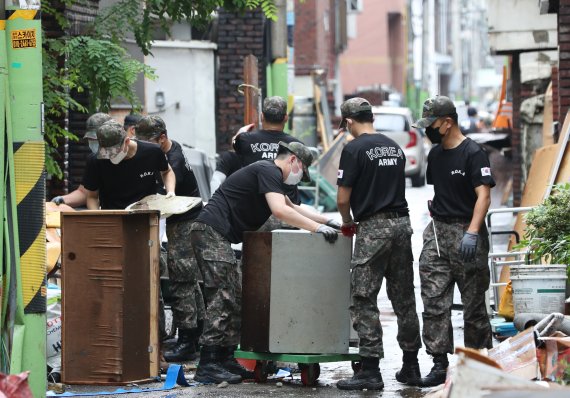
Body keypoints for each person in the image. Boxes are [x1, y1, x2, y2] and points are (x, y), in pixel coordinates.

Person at [190, 141, 339, 384]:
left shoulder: (272, 177)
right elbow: (280, 211)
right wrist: (317, 229)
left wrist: (329, 222)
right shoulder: (268, 170)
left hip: (217, 235)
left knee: (235, 297)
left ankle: (226, 358)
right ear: (292, 160)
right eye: (302, 170)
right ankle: (207, 362)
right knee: (223, 296)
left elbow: (294, 208)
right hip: (209, 231)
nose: (300, 177)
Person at [335, 98, 422, 391]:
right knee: (403, 297)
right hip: (401, 225)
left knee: (364, 297)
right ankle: (411, 365)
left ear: (348, 122)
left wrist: (347, 222)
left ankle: (370, 369)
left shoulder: (353, 149)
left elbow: (343, 198)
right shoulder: (393, 147)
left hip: (373, 228)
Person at [412, 95, 495, 387]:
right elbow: (441, 191)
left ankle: (476, 361)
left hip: (466, 232)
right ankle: (438, 363)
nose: (427, 130)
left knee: (473, 304)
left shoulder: (473, 153)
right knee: (434, 300)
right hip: (437, 233)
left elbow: (483, 195)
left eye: (431, 124)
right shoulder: (435, 154)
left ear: (447, 122)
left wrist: (472, 232)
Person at [136, 115, 206, 362]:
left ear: (162, 138)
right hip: (185, 221)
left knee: (180, 280)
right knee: (187, 279)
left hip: (184, 222)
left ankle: (188, 339)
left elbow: (164, 192)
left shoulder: (172, 160)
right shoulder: (171, 148)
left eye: (150, 142)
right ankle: (196, 332)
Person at [83, 120, 175, 210]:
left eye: (115, 152)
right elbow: (92, 197)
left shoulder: (152, 152)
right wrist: (97, 218)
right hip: (112, 216)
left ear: (126, 141)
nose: (111, 156)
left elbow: (167, 171)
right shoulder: (95, 160)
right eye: (106, 153)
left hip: (146, 213)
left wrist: (170, 191)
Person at [233, 96, 304, 205]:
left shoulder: (244, 139)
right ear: (286, 118)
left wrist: (240, 133)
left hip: (252, 208)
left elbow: (234, 144)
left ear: (262, 116)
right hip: (288, 208)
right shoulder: (297, 145)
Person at [51, 113, 112, 207]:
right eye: (90, 139)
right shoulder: (94, 160)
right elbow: (85, 192)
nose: (93, 143)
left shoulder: (133, 155)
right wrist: (62, 200)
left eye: (97, 139)